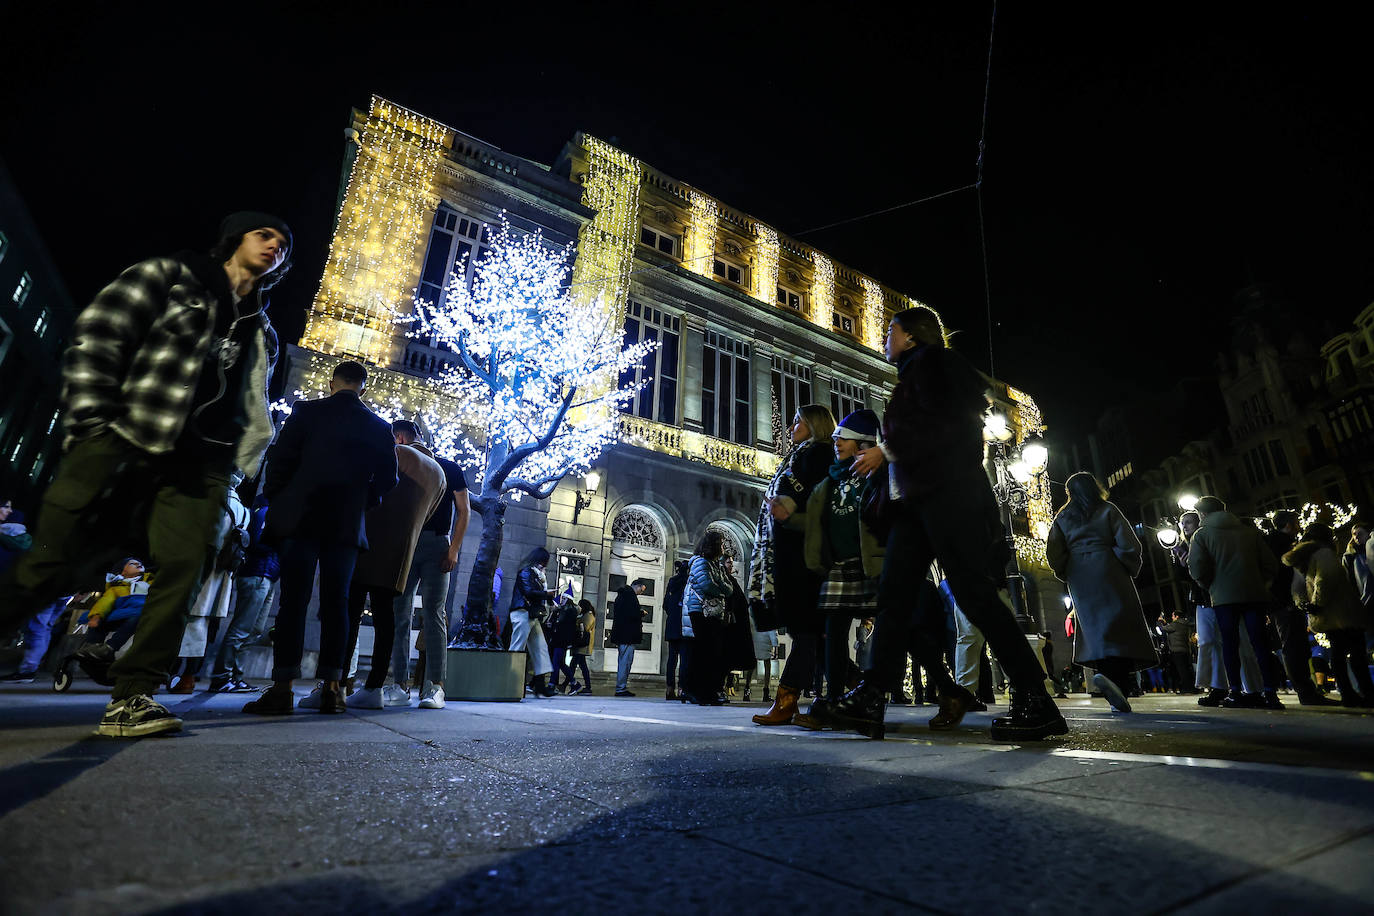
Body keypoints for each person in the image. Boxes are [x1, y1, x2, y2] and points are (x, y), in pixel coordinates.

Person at [0, 213, 290, 737]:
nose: (274, 246)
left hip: (200, 467)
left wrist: (238, 467)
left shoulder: (260, 327)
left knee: (182, 573)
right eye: (263, 235)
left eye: (283, 243)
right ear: (235, 239)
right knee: (54, 564)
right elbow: (99, 335)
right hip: (125, 439)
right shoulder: (170, 277)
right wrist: (92, 422)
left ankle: (132, 696)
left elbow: (254, 404)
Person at [839, 306, 1068, 740]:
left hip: (947, 497)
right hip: (917, 504)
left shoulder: (937, 364)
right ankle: (870, 696)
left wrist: (884, 452)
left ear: (910, 337)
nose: (885, 338)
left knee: (974, 594)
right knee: (894, 595)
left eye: (891, 331)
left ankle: (1036, 699)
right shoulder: (915, 373)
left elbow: (943, 425)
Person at [243, 360, 399, 717]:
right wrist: (364, 501)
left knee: (293, 601)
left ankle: (282, 687)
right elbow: (388, 478)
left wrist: (281, 497)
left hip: (301, 517)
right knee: (338, 604)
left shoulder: (306, 413)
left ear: (333, 383)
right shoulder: (378, 426)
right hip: (345, 523)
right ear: (363, 387)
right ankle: (333, 687)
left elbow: (279, 460)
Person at [781, 409, 899, 729]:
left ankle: (943, 687)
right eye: (834, 438)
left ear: (861, 443)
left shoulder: (875, 472)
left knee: (903, 631)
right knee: (833, 632)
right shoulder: (831, 479)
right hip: (839, 566)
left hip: (870, 563)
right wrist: (788, 516)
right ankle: (834, 700)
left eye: (842, 438)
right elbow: (818, 521)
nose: (836, 442)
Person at [340, 436, 445, 710]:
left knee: (351, 613)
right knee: (388, 617)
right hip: (402, 552)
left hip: (371, 541)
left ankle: (336, 683)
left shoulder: (398, 454)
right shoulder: (439, 474)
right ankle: (375, 686)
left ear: (400, 438)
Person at [747, 404, 836, 725]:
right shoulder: (801, 454)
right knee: (812, 632)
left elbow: (819, 505)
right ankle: (854, 689)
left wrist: (788, 513)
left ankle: (786, 701)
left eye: (798, 421)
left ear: (814, 425)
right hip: (789, 552)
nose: (791, 427)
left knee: (805, 630)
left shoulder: (818, 454)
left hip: (802, 555)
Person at [1046, 472, 1157, 713]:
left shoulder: (1063, 517)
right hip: (1109, 568)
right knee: (1120, 622)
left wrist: (1066, 570)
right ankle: (1120, 681)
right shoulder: (1108, 510)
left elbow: (1053, 551)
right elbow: (1129, 544)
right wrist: (1125, 563)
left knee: (1094, 626)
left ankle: (1105, 674)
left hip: (1079, 573)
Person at [388, 419, 469, 705]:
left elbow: (463, 509)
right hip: (421, 542)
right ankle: (414, 685)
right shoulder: (409, 464)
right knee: (417, 613)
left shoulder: (445, 467)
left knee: (424, 613)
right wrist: (453, 548)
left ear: (398, 438)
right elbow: (464, 511)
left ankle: (428, 686)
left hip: (432, 543)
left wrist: (454, 549)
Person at [1187, 495, 1284, 709]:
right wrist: (1261, 584)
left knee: (1229, 644)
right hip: (1254, 595)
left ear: (1203, 514)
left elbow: (1196, 568)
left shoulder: (1202, 535)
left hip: (1223, 597)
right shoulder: (1249, 532)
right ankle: (1270, 693)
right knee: (1260, 643)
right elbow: (1270, 565)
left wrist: (1210, 585)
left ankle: (1235, 691)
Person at [1285, 523, 1374, 707]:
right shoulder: (1323, 553)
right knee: (1356, 653)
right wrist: (1318, 603)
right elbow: (1326, 578)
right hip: (1342, 610)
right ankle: (1364, 692)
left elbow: (1298, 588)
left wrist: (1307, 605)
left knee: (1338, 653)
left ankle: (1349, 693)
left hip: (1327, 614)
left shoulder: (1304, 558)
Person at [208, 498, 280, 692]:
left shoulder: (274, 512)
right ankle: (221, 677)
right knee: (241, 628)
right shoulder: (266, 511)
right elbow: (256, 543)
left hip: (268, 575)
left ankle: (236, 676)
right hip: (257, 574)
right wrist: (282, 544)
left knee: (254, 630)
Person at [1270, 511, 1329, 704]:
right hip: (1286, 602)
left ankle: (1307, 689)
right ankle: (1305, 691)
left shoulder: (1280, 543)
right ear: (1288, 524)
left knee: (1297, 646)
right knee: (1294, 646)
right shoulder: (1279, 544)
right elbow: (1281, 574)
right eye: (1295, 522)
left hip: (1287, 601)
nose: (1298, 525)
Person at [684, 528, 735, 706]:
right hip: (700, 611)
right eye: (721, 543)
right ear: (713, 545)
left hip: (713, 613)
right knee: (702, 652)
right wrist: (720, 587)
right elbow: (708, 586)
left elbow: (730, 589)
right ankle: (695, 691)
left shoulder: (715, 565)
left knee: (712, 652)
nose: (723, 546)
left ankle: (708, 690)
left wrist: (720, 585)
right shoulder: (700, 562)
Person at [509, 547, 558, 698]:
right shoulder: (526, 572)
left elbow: (532, 592)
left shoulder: (534, 573)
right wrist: (547, 594)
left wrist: (547, 594)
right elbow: (529, 592)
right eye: (544, 562)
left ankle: (539, 685)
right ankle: (511, 682)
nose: (544, 565)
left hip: (530, 614)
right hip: (523, 613)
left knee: (540, 649)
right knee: (517, 648)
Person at [610, 578, 649, 696]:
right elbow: (631, 614)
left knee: (624, 661)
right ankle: (621, 688)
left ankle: (621, 687)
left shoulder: (623, 595)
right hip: (627, 636)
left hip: (623, 634)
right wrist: (641, 613)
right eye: (641, 590)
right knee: (625, 662)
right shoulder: (629, 596)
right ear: (637, 586)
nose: (641, 593)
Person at [663, 560, 690, 700]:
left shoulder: (672, 582)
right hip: (684, 625)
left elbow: (665, 604)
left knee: (671, 660)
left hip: (672, 625)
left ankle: (669, 689)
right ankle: (681, 689)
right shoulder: (688, 582)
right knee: (684, 659)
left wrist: (673, 614)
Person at [565, 598, 596, 695]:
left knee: (573, 666)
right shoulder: (585, 615)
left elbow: (584, 628)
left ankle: (569, 684)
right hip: (580, 646)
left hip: (582, 646)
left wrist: (577, 622)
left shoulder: (588, 615)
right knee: (580, 666)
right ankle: (586, 687)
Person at [1163, 611, 1196, 693]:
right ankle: (1191, 687)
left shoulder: (1176, 624)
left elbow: (1164, 628)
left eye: (1173, 616)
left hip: (1177, 651)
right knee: (1187, 669)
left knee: (1182, 671)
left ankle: (1186, 688)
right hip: (1185, 650)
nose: (1172, 617)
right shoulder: (1185, 624)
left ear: (1177, 616)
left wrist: (1160, 622)